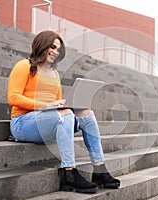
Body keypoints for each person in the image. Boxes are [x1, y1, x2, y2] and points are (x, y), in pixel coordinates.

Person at [7, 30, 120, 194]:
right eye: (52, 47)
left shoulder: (54, 73)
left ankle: (100, 170)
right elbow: (13, 98)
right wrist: (46, 105)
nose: (55, 52)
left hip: (48, 122)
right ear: (42, 44)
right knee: (64, 113)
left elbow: (58, 105)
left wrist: (67, 105)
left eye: (58, 49)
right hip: (22, 123)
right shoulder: (24, 66)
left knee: (87, 114)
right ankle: (69, 173)